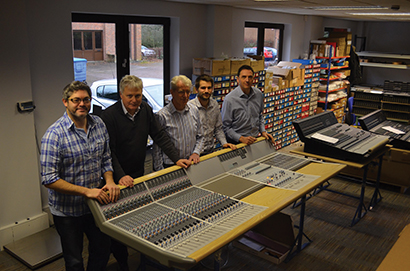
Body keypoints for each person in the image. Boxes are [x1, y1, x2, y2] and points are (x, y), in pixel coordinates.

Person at [100, 75, 191, 270]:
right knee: (118, 224)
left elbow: (159, 135)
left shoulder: (146, 111)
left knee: (138, 218)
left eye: (138, 95)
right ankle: (122, 263)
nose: (134, 100)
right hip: (117, 177)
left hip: (138, 173)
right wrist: (120, 175)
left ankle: (142, 259)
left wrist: (176, 158)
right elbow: (109, 152)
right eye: (130, 96)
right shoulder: (108, 117)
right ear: (121, 95)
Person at [40, 81, 120, 271]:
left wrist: (109, 181)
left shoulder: (98, 124)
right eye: (76, 100)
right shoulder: (54, 135)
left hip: (96, 205)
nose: (81, 104)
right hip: (67, 212)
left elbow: (106, 158)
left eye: (85, 99)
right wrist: (86, 192)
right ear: (65, 102)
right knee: (74, 260)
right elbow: (49, 179)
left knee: (102, 250)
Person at [153, 75, 205, 171]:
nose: (185, 96)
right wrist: (159, 170)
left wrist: (196, 152)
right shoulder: (162, 115)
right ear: (172, 92)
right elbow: (157, 147)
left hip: (191, 163)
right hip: (171, 166)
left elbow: (201, 136)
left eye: (188, 92)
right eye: (181, 92)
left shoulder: (194, 110)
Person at [221, 65, 274, 145]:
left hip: (254, 140)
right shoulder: (229, 99)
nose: (247, 80)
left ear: (253, 79)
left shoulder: (258, 94)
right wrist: (241, 138)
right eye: (244, 77)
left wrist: (263, 131)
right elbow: (225, 127)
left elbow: (259, 115)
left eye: (250, 77)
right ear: (237, 79)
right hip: (236, 143)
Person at [188, 74, 236, 155]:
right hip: (194, 154)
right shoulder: (190, 107)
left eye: (209, 88)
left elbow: (218, 128)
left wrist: (224, 143)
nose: (206, 91)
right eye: (203, 88)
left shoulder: (214, 105)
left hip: (210, 151)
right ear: (196, 89)